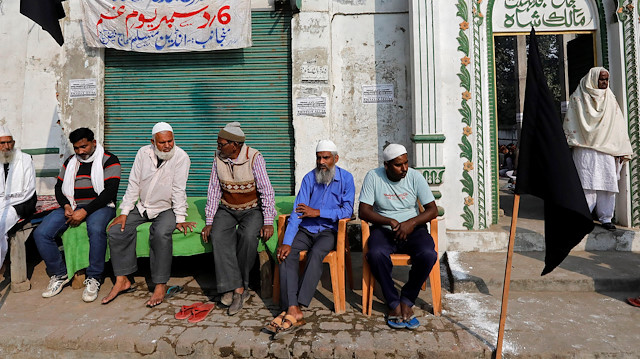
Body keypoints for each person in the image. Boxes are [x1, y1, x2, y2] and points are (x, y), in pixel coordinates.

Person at [265, 140, 355, 335]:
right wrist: (287, 241)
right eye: (319, 157)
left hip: (329, 231)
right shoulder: (309, 178)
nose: (321, 162)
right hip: (305, 230)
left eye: (326, 158)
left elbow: (348, 210)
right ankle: (293, 309)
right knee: (285, 254)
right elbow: (298, 212)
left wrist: (319, 212)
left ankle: (295, 306)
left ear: (335, 159)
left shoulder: (346, 179)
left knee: (316, 254)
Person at [102, 122, 195, 307]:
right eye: (162, 142)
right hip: (143, 206)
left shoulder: (181, 157)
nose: (168, 145)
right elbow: (134, 183)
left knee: (160, 233)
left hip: (166, 208)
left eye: (170, 140)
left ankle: (160, 285)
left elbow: (178, 189)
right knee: (116, 230)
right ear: (153, 141)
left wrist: (180, 218)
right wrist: (125, 212)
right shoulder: (143, 153)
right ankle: (123, 281)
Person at [33, 128, 120, 302]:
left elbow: (110, 192)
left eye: (84, 146)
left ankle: (94, 277)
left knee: (95, 229)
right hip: (72, 204)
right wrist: (65, 206)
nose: (81, 151)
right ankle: (60, 273)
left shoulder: (110, 160)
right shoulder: (71, 161)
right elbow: (59, 187)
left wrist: (85, 211)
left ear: (94, 143)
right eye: (77, 148)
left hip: (100, 206)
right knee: (41, 233)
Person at [358, 143, 438, 330]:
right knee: (376, 254)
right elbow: (363, 211)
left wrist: (411, 223)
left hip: (414, 230)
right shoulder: (373, 176)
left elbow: (432, 210)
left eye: (406, 163)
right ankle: (393, 303)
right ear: (386, 165)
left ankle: (408, 299)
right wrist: (389, 221)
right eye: (398, 165)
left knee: (429, 254)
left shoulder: (415, 176)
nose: (404, 168)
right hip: (385, 230)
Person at [201, 122, 276, 316]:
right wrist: (210, 221)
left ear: (235, 145)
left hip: (252, 209)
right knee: (218, 235)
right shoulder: (218, 158)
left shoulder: (254, 158)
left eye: (221, 144)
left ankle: (240, 288)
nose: (218, 147)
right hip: (227, 208)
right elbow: (213, 189)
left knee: (248, 236)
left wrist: (268, 220)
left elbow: (266, 191)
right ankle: (233, 287)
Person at [563, 67, 633, 231]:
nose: (604, 83)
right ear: (593, 79)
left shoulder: (610, 99)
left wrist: (622, 149)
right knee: (586, 185)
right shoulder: (578, 98)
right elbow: (570, 123)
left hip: (607, 149)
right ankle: (582, 217)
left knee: (607, 185)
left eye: (606, 79)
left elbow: (618, 125)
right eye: (601, 79)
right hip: (585, 149)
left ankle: (606, 218)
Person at [0, 125, 37, 273]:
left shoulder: (26, 159)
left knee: (1, 224)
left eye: (9, 142)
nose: (7, 147)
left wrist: (5, 202)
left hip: (21, 203)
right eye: (2, 143)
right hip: (2, 203)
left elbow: (29, 190)